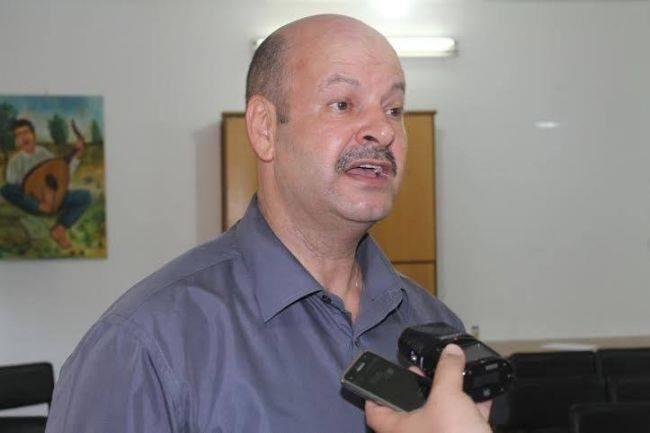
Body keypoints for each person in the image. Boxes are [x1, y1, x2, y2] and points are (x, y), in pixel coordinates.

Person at [45, 14, 488, 433]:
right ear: (264, 128)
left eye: (394, 109)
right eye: (342, 104)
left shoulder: (436, 330)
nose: (383, 131)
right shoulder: (145, 345)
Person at [0, 118, 90, 248]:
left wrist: (76, 155)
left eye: (26, 132)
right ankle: (43, 207)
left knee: (85, 196)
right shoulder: (15, 161)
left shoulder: (44, 153)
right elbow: (14, 191)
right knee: (7, 188)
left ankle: (59, 229)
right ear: (16, 141)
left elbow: (61, 173)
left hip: (54, 200)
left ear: (34, 135)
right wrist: (36, 201)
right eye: (18, 135)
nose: (23, 137)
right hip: (34, 204)